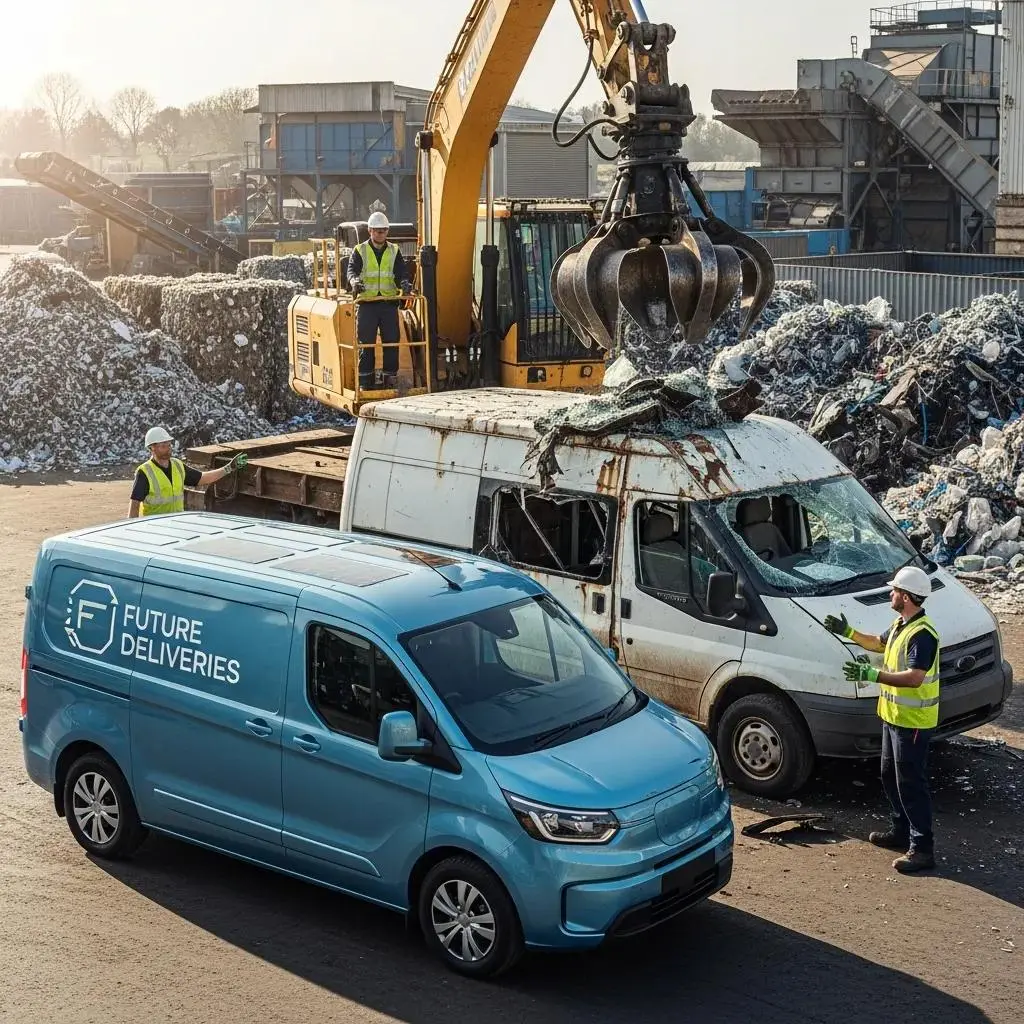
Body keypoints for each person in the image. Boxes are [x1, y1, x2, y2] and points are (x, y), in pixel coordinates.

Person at [824, 566, 940, 874]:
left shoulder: (923, 635)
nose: (890, 594)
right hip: (893, 717)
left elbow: (915, 678)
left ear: (905, 596)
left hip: (913, 721)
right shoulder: (902, 625)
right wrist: (848, 632)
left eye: (894, 591)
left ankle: (921, 848)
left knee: (911, 784)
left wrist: (872, 674)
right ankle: (901, 831)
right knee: (890, 776)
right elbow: (878, 642)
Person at [346, 211, 413, 389]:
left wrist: (405, 283)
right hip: (367, 304)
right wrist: (354, 282)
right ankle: (365, 383)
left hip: (388, 304)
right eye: (376, 231)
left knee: (391, 342)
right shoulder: (360, 250)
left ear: (387, 231)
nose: (380, 234)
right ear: (369, 231)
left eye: (383, 231)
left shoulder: (394, 250)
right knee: (366, 344)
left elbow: (401, 273)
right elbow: (351, 270)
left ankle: (390, 381)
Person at [128, 427, 248, 518]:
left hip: (177, 523)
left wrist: (229, 468)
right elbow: (134, 504)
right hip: (154, 527)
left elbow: (203, 478)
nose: (168, 449)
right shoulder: (145, 471)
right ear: (152, 448)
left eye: (169, 445)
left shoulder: (177, 465)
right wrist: (131, 529)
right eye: (163, 446)